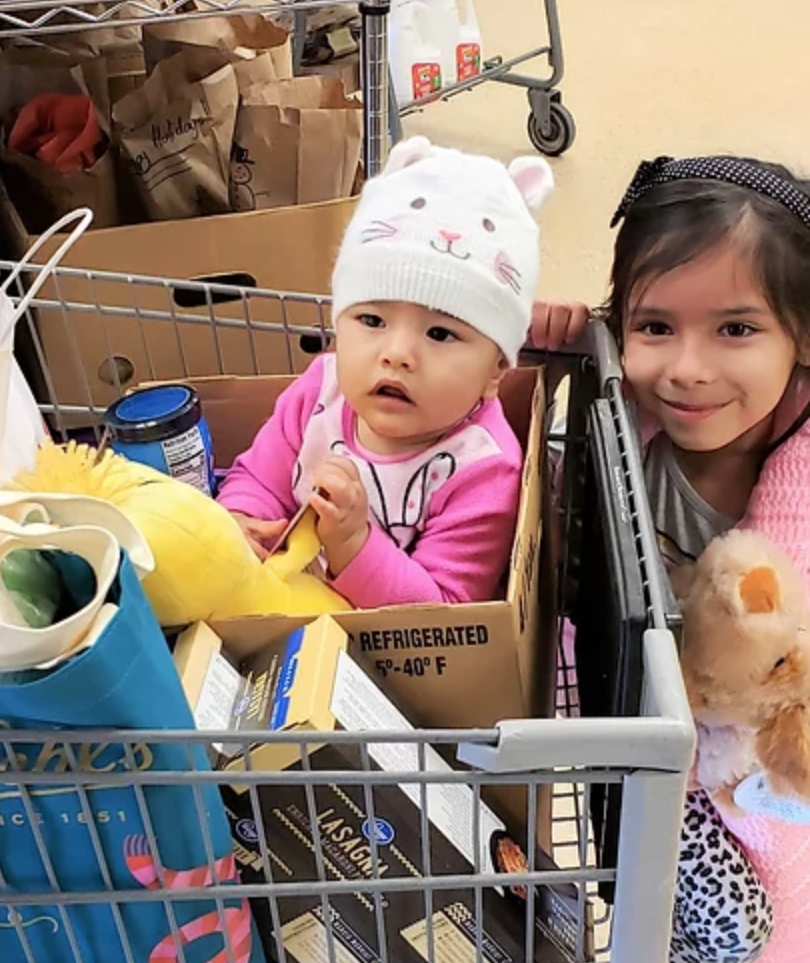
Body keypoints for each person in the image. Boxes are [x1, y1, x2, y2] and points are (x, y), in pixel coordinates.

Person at [531, 155, 810, 963]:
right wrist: (549, 351)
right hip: (649, 744)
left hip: (752, 774)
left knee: (728, 934)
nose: (687, 369)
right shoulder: (634, 425)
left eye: (736, 329)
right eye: (655, 327)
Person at [218, 136, 553, 607]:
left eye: (439, 334)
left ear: (496, 370)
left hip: (394, 663)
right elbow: (258, 478)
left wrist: (354, 542)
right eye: (372, 321)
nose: (397, 354)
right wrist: (238, 520)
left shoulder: (483, 468)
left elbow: (446, 612)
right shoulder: (321, 392)